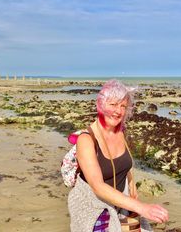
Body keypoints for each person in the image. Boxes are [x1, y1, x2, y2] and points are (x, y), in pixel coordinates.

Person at [68, 80, 169, 232]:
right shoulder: (87, 140)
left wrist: (131, 181)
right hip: (94, 206)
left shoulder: (121, 131)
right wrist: (142, 207)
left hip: (122, 201)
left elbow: (125, 162)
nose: (118, 111)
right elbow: (98, 187)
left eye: (123, 106)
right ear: (100, 104)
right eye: (113, 104)